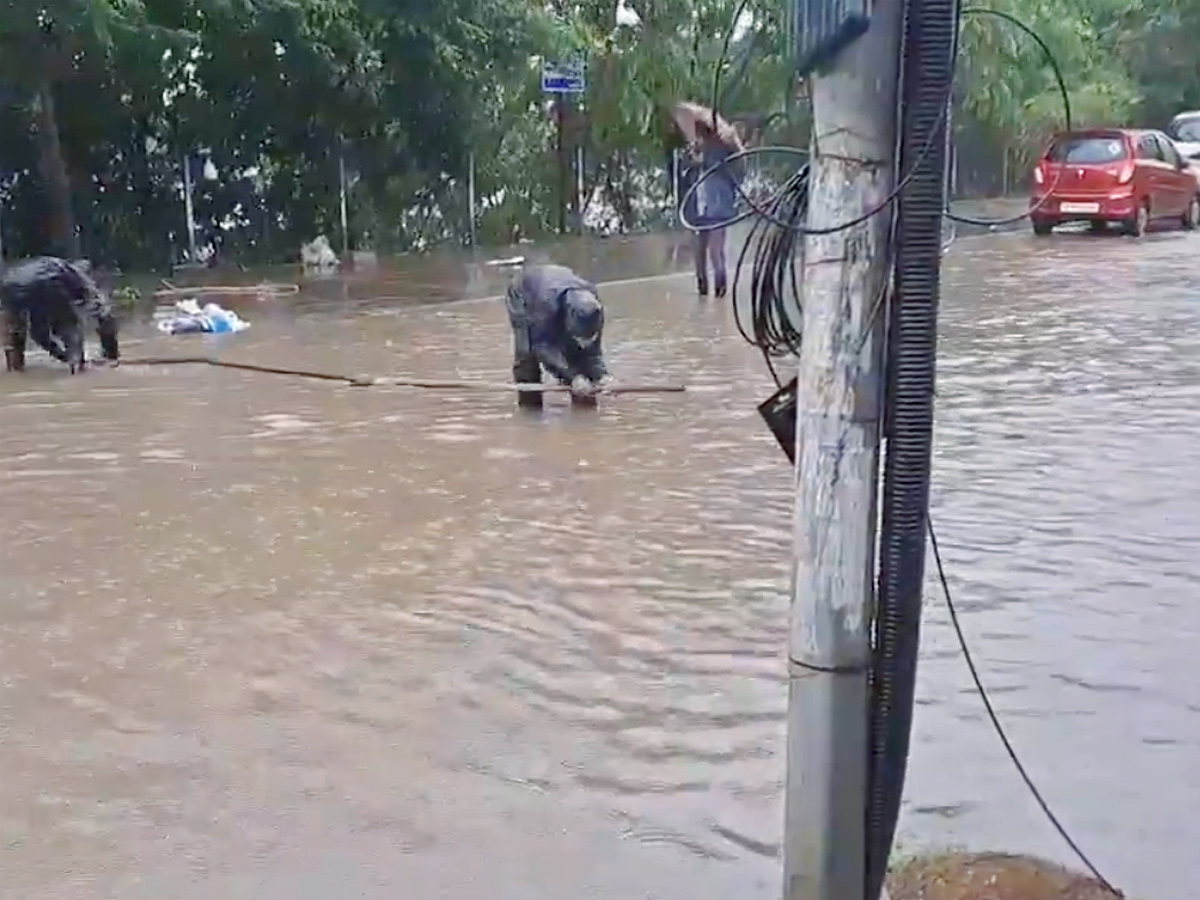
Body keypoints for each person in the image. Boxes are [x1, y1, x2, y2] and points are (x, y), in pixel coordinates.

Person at [504, 262, 613, 410]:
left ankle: (584, 411)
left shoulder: (594, 306)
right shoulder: (545, 306)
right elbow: (542, 347)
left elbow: (592, 353)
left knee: (577, 358)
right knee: (527, 354)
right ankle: (529, 411)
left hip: (556, 289)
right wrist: (572, 377)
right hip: (525, 294)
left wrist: (602, 376)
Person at [2, 256, 121, 374]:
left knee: (15, 334)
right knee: (69, 325)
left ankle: (15, 371)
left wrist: (60, 355)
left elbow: (39, 334)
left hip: (9, 285)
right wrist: (112, 355)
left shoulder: (51, 265)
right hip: (49, 281)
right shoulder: (75, 275)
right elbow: (103, 313)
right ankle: (77, 368)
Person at [681, 122, 740, 298]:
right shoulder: (695, 158)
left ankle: (720, 289)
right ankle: (703, 289)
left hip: (717, 208)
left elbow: (709, 164)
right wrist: (691, 156)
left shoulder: (717, 153)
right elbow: (690, 169)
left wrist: (697, 157)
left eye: (699, 136)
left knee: (715, 250)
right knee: (699, 252)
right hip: (699, 210)